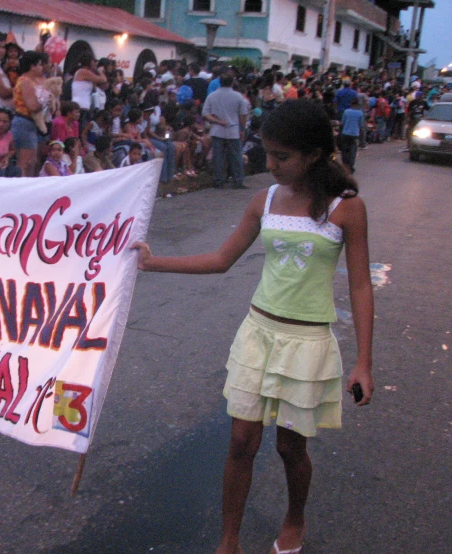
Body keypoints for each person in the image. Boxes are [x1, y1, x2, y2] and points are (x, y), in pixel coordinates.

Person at [132, 99, 374, 554]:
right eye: (268, 153)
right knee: (241, 442)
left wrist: (364, 361)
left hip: (307, 343)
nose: (271, 164)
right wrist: (153, 262)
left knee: (289, 447)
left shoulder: (347, 209)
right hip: (257, 334)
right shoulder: (263, 200)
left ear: (315, 154)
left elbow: (361, 286)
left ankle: (294, 518)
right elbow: (221, 259)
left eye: (282, 156)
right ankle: (229, 540)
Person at [203, 72, 251, 189]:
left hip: (217, 130)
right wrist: (242, 129)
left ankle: (218, 180)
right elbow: (243, 115)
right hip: (233, 130)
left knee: (218, 156)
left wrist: (218, 121)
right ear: (232, 82)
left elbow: (205, 114)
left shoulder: (212, 96)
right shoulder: (238, 97)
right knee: (236, 156)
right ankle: (238, 180)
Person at [11, 51, 47, 176]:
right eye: (40, 65)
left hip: (28, 123)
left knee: (31, 161)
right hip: (24, 122)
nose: (42, 68)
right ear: (32, 66)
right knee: (26, 162)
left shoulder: (27, 81)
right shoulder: (26, 82)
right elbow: (32, 106)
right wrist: (45, 100)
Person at [339, 98, 362, 174]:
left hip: (345, 132)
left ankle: (345, 165)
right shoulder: (360, 113)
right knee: (353, 150)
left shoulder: (346, 111)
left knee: (344, 149)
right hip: (355, 134)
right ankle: (351, 165)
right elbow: (361, 125)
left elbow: (342, 122)